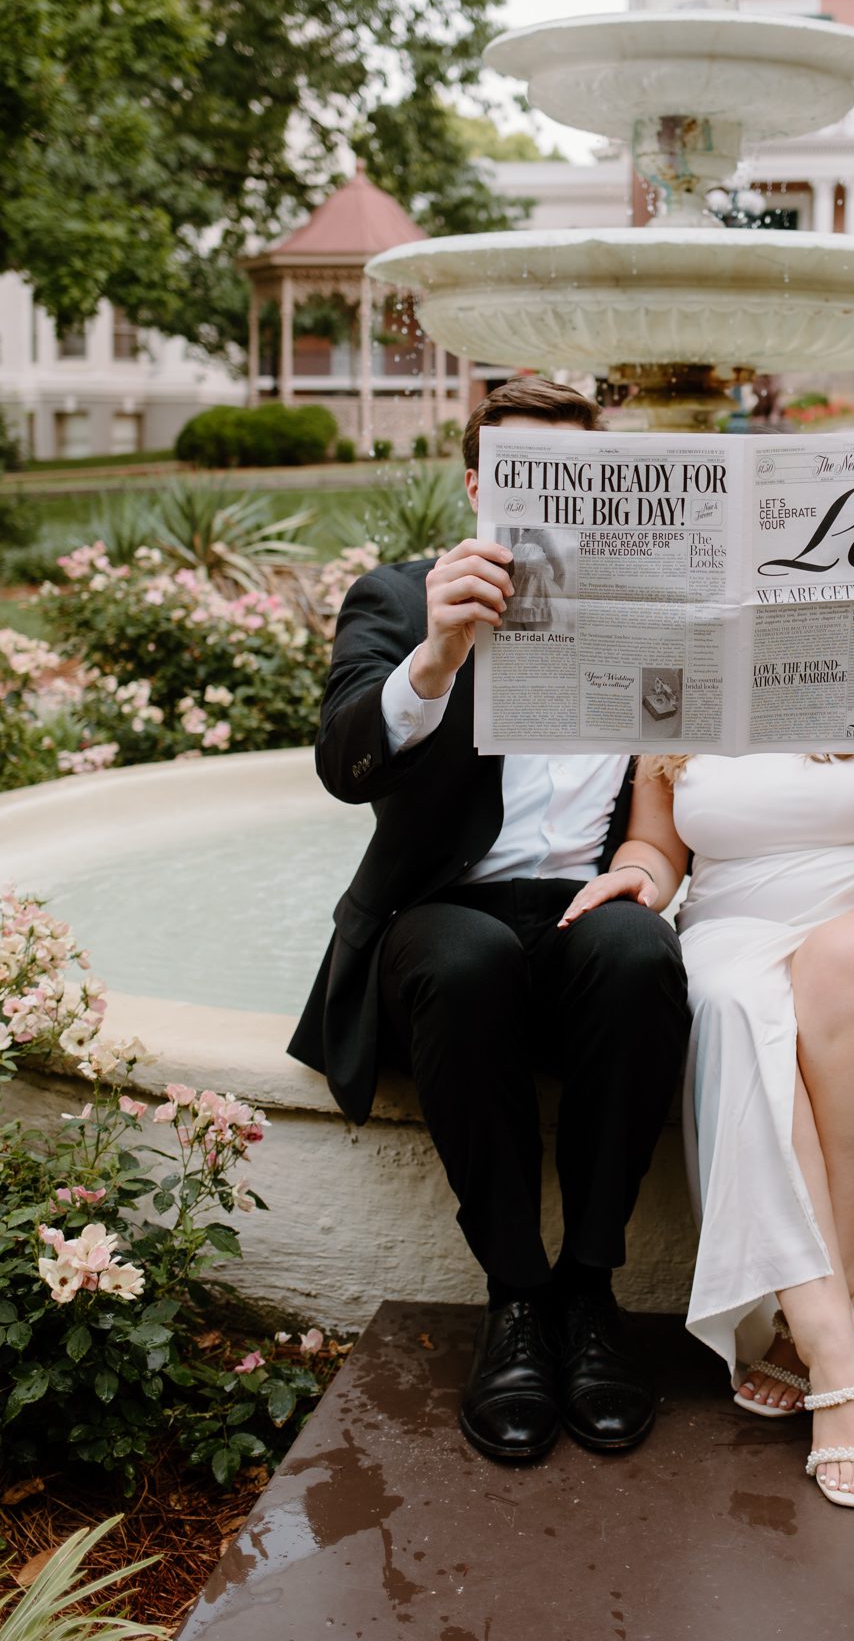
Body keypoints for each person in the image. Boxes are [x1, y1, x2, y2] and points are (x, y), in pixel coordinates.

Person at [559, 521, 854, 1514]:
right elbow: (660, 846)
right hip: (736, 924)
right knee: (739, 998)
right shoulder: (679, 670)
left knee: (841, 957)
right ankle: (831, 1317)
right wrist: (631, 877)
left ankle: (824, 1342)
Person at [288, 377, 691, 1466]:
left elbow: (674, 791)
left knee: (637, 949)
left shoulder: (647, 610)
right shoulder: (400, 594)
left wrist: (651, 865)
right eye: (526, 477)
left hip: (582, 906)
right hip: (443, 914)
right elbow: (342, 762)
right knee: (463, 959)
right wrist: (435, 655)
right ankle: (513, 1297)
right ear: (478, 487)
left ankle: (588, 1292)